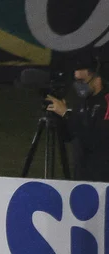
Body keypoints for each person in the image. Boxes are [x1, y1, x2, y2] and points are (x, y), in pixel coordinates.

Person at [46, 54, 109, 182]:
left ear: (97, 79)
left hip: (103, 179)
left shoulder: (106, 102)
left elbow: (97, 141)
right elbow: (69, 136)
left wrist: (66, 114)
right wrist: (60, 118)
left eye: (82, 81)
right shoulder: (82, 102)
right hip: (82, 175)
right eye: (76, 80)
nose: (78, 86)